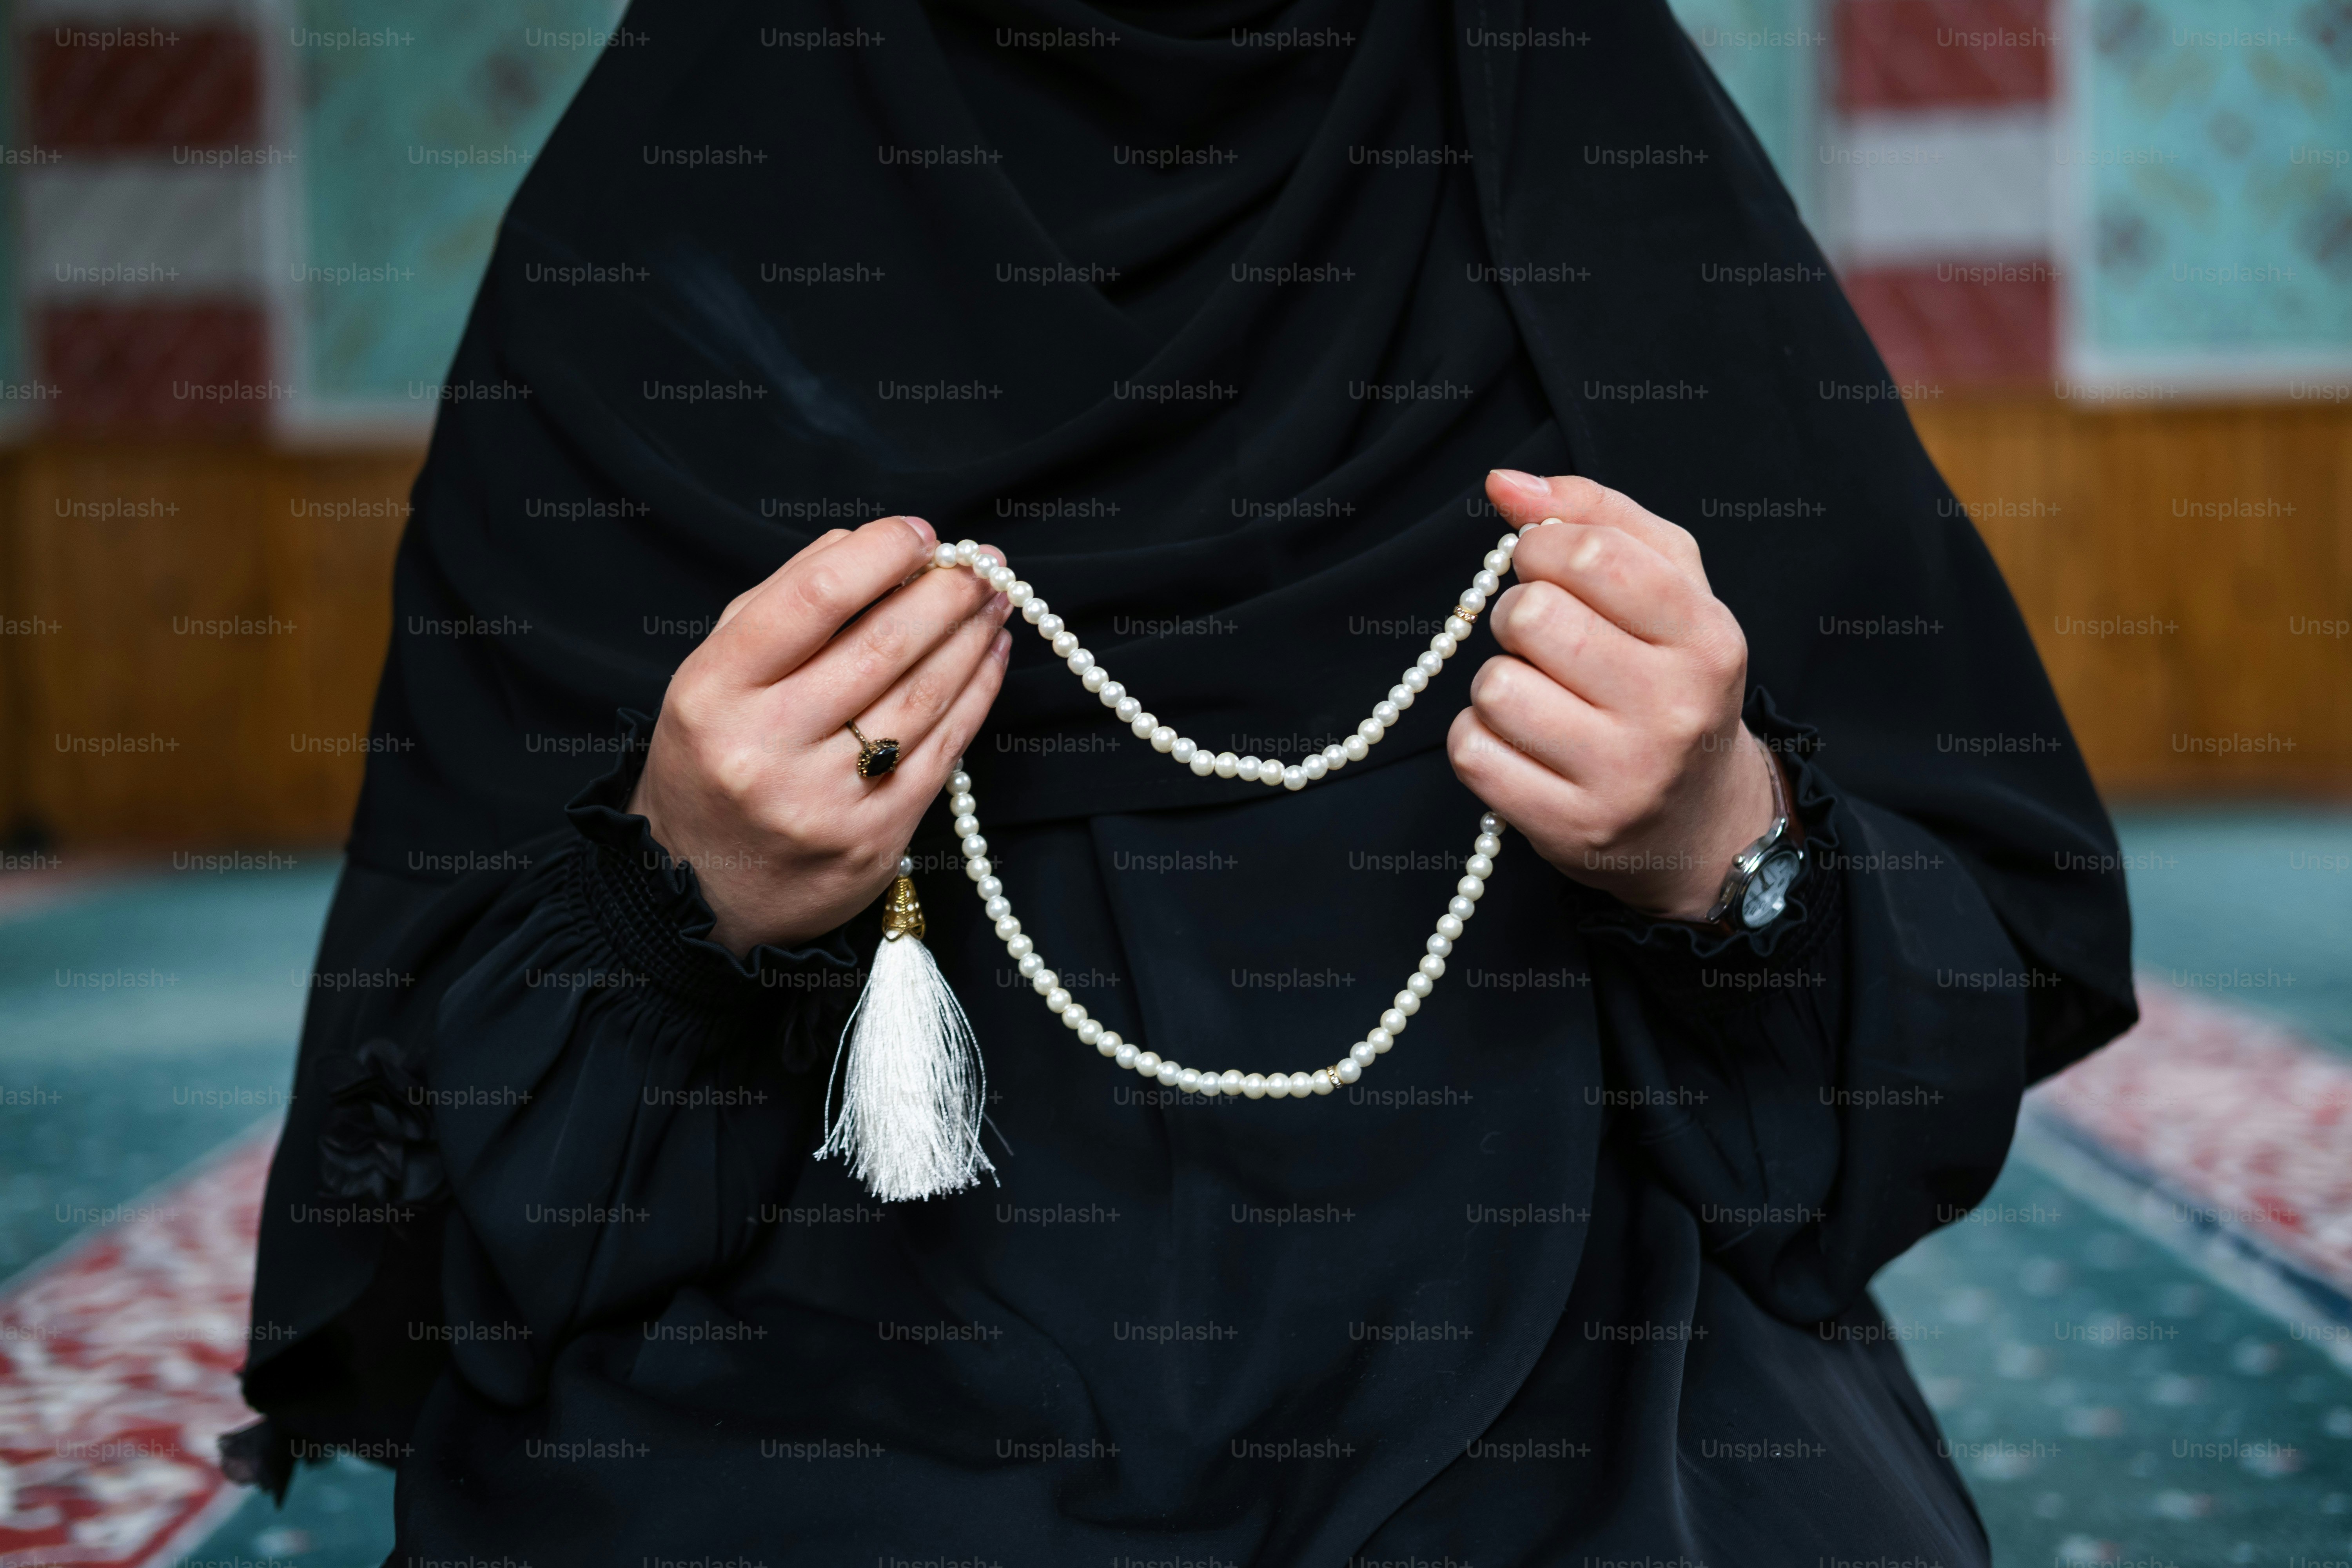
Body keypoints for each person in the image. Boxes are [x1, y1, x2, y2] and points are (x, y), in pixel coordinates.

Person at [224, 0, 2137, 1560]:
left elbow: (1974, 922)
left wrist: (1722, 839)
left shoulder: (1563, 102)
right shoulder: (680, 197)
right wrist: (681, 890)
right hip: (823, 1306)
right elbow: (431, 1157)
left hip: (1555, 1281)